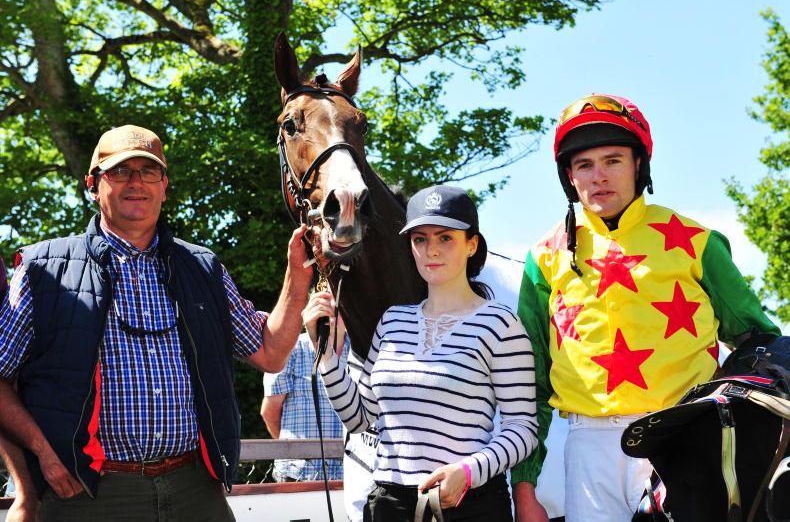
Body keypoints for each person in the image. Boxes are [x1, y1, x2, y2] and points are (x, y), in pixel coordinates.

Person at [0, 124, 313, 521]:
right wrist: (42, 457)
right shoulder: (44, 269)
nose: (136, 182)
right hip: (87, 493)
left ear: (164, 186)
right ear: (93, 185)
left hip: (194, 489)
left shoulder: (202, 267)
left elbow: (270, 352)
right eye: (120, 171)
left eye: (148, 171)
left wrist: (297, 275)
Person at [510, 93, 781, 522]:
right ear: (569, 176)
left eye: (613, 160)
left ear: (639, 164)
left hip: (683, 436)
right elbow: (533, 380)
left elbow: (761, 345)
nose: (599, 176)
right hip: (586, 448)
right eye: (585, 165)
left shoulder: (698, 241)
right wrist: (524, 486)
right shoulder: (542, 258)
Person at [306, 185, 538, 521]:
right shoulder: (392, 320)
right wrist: (327, 356)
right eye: (420, 239)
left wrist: (469, 472)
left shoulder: (501, 323)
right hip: (390, 505)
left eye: (446, 238)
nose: (432, 250)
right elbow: (359, 419)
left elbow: (523, 428)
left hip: (470, 505)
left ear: (471, 244)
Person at [261, 327, 349, 482]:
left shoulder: (361, 352)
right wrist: (293, 453)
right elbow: (270, 411)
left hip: (349, 477)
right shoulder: (290, 349)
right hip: (297, 476)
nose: (334, 314)